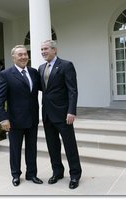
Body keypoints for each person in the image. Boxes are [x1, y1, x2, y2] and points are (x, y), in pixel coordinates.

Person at [0, 45, 43, 186]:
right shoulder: (6, 74)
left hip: (33, 118)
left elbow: (45, 88)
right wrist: (3, 118)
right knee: (15, 149)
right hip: (14, 120)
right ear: (14, 57)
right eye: (20, 55)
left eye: (25, 54)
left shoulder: (34, 72)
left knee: (32, 148)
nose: (23, 57)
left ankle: (32, 174)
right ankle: (16, 175)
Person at [38, 40, 82, 189]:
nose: (43, 51)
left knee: (69, 145)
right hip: (47, 114)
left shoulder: (66, 65)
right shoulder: (40, 68)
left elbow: (72, 90)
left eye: (46, 49)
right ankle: (57, 172)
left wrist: (71, 111)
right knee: (52, 145)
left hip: (63, 114)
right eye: (42, 49)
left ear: (54, 50)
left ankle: (75, 174)